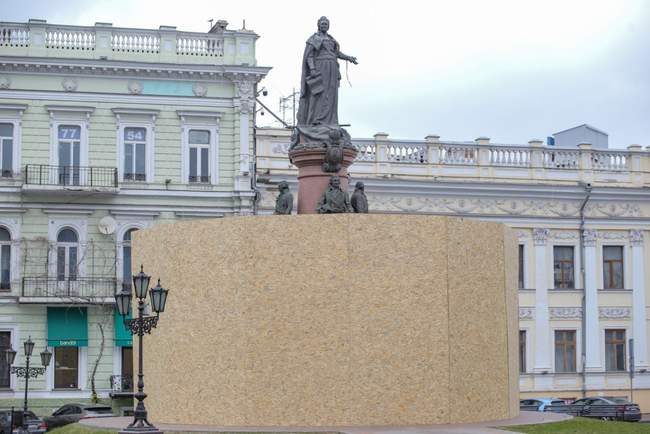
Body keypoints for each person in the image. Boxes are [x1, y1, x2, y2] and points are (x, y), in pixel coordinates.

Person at [296, 16, 358, 127]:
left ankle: (330, 121)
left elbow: (337, 53)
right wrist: (313, 69)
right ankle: (316, 120)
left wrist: (349, 58)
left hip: (332, 68)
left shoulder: (331, 39)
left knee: (331, 94)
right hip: (321, 67)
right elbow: (309, 55)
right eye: (322, 24)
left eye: (326, 24)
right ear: (318, 25)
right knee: (320, 94)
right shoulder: (314, 38)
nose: (324, 25)